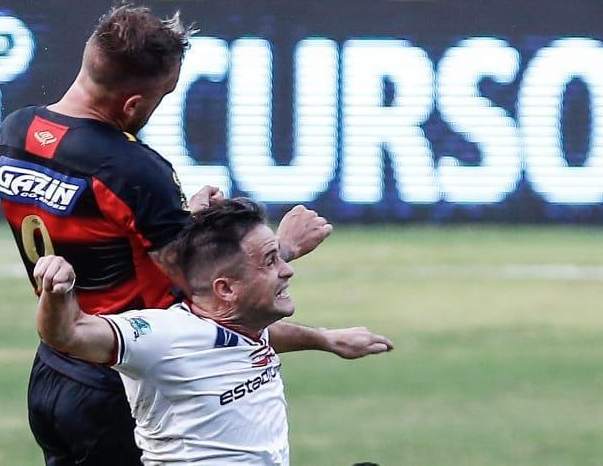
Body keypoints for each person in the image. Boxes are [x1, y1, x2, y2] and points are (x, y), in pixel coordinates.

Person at [0, 3, 370, 465]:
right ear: (133, 102)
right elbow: (209, 291)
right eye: (162, 95)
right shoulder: (130, 168)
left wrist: (175, 218)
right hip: (126, 376)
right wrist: (283, 246)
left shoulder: (16, 133)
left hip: (54, 368)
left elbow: (92, 229)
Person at [33, 197, 393, 465]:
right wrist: (56, 290)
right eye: (271, 260)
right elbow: (69, 334)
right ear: (225, 289)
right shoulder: (162, 335)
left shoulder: (246, 326)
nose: (288, 270)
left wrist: (326, 339)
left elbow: (252, 344)